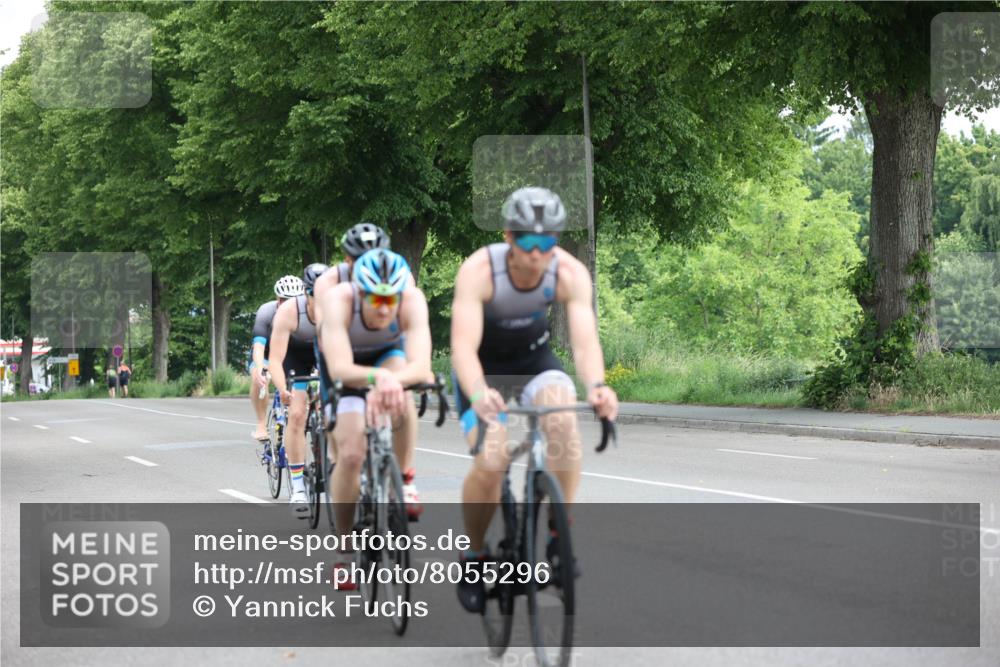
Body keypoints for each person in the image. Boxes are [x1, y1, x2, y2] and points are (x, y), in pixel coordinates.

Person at [450, 186, 619, 612]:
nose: (538, 255)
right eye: (529, 243)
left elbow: (583, 343)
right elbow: (463, 349)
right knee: (490, 463)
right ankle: (473, 556)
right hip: (482, 369)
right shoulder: (480, 270)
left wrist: (597, 385)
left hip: (533, 360)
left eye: (549, 243)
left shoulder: (569, 273)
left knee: (563, 420)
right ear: (508, 236)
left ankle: (559, 535)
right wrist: (477, 392)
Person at [317, 248, 433, 586]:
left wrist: (393, 382)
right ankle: (344, 552)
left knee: (404, 396)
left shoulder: (412, 300)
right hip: (346, 365)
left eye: (391, 300)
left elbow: (420, 365)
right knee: (351, 455)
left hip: (387, 356)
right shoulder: (338, 300)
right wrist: (375, 380)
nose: (385, 308)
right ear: (360, 292)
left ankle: (405, 479)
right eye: (376, 300)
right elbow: (339, 368)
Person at [268, 263, 328, 510]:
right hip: (294, 356)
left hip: (326, 353)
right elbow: (275, 360)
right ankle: (299, 487)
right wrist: (283, 390)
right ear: (306, 293)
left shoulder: (341, 310)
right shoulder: (289, 312)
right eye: (316, 294)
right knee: (297, 413)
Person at [249, 275, 305, 441]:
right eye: (283, 300)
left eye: (293, 301)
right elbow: (258, 346)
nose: (287, 305)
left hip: (293, 354)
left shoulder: (307, 313)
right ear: (277, 299)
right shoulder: (266, 312)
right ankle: (260, 424)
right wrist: (259, 368)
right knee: (260, 378)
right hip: (267, 354)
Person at [313, 222, 391, 325]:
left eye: (375, 261)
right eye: (362, 262)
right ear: (347, 260)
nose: (369, 267)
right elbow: (323, 332)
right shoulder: (326, 282)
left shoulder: (402, 277)